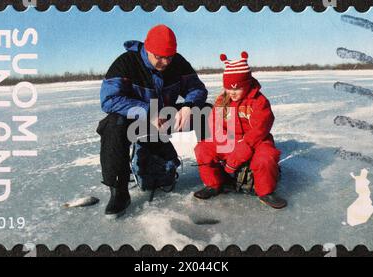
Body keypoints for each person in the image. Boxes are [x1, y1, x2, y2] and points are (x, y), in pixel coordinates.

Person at [97, 25, 208, 218]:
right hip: (135, 118)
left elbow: (197, 88)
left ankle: (213, 174)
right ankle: (119, 191)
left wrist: (188, 105)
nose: (165, 62)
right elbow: (109, 100)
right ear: (147, 49)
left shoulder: (178, 62)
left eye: (169, 57)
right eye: (159, 57)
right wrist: (148, 111)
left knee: (207, 111)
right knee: (112, 124)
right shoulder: (125, 63)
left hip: (166, 116)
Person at [193, 51, 287, 209]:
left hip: (257, 141)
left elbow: (260, 129)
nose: (232, 92)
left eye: (237, 88)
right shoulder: (222, 101)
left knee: (266, 158)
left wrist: (237, 156)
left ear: (247, 84)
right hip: (230, 140)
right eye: (229, 88)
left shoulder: (259, 101)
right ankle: (214, 184)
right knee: (203, 148)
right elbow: (215, 126)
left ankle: (266, 192)